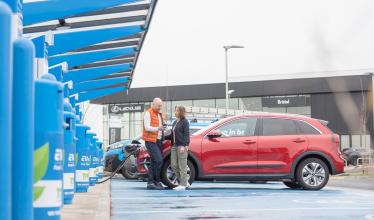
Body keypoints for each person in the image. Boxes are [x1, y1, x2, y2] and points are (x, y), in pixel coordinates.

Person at [142, 98, 166, 190]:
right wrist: (158, 128)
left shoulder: (160, 114)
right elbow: (147, 127)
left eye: (161, 106)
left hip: (159, 140)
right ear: (153, 104)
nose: (160, 108)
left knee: (154, 161)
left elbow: (160, 126)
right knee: (159, 160)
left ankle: (152, 182)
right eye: (158, 106)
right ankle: (155, 181)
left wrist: (164, 128)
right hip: (150, 140)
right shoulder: (148, 113)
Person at [166, 106, 190, 190]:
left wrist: (184, 145)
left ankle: (182, 185)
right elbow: (172, 135)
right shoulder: (175, 122)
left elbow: (186, 134)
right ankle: (184, 181)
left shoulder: (185, 122)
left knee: (182, 166)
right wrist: (163, 137)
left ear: (181, 112)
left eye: (176, 111)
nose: (175, 112)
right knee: (174, 165)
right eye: (175, 110)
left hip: (181, 146)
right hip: (174, 146)